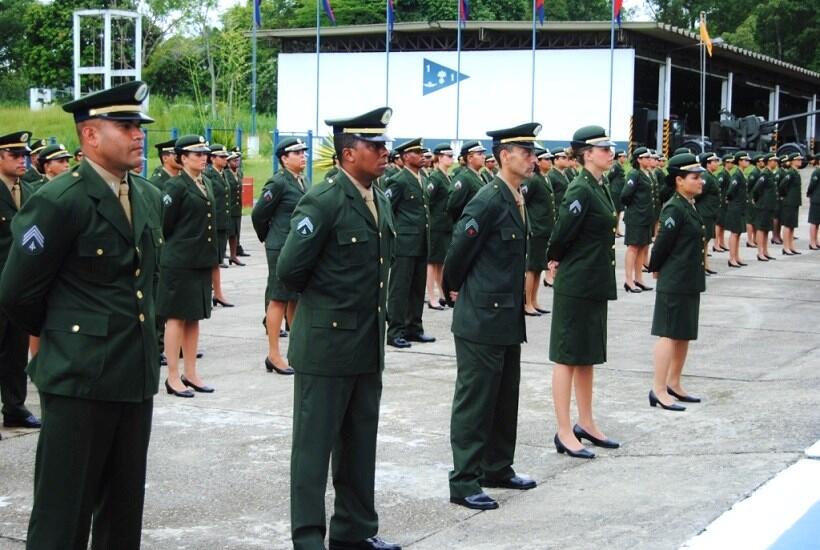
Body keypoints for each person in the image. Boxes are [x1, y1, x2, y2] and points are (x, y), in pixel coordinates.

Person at [0, 81, 161, 547]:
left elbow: (146, 281)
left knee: (123, 511)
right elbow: (16, 292)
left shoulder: (146, 195)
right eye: (126, 126)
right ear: (90, 135)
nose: (138, 135)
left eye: (139, 126)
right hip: (78, 378)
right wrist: (69, 339)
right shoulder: (58, 200)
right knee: (62, 512)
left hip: (134, 375)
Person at [277, 107, 400, 550]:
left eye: (385, 144)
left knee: (359, 444)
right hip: (327, 345)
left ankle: (355, 530)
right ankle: (309, 538)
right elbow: (290, 270)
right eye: (375, 146)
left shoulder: (378, 196)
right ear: (349, 154)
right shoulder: (324, 200)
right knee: (313, 451)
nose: (385, 152)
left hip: (366, 344)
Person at [444, 123, 540, 512]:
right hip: (481, 319)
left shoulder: (517, 195)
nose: (534, 159)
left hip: (505, 318)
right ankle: (464, 481)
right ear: (505, 155)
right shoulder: (487, 200)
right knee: (476, 401)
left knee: (504, 397)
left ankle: (497, 467)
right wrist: (454, 288)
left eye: (534, 152)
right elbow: (457, 254)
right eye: (526, 152)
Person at [547, 125, 620, 460]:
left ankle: (586, 422)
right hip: (576, 283)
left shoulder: (599, 185)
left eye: (610, 147)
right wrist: (554, 258)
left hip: (593, 280)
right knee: (567, 356)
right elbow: (562, 232)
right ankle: (564, 430)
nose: (611, 152)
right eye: (603, 148)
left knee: (587, 355)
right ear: (586, 154)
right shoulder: (580, 189)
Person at [158, 135, 220, 398]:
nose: (203, 157)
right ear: (182, 158)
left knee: (195, 317)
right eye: (196, 154)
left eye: (204, 153)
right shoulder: (176, 186)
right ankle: (173, 376)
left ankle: (191, 372)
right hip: (180, 262)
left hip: (200, 261)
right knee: (176, 318)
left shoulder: (204, 182)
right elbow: (164, 225)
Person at [648, 153, 707, 411]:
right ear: (679, 181)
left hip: (688, 279)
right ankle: (658, 389)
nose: (700, 181)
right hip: (675, 278)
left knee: (683, 334)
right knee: (669, 334)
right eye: (695, 177)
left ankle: (674, 383)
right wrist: (655, 267)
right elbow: (662, 243)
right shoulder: (674, 207)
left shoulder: (688, 205)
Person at [251, 137, 308, 375]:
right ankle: (274, 354)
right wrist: (269, 238)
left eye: (303, 152)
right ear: (284, 158)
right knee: (278, 298)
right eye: (297, 153)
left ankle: (295, 351)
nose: (303, 155)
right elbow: (258, 214)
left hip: (296, 246)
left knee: (294, 297)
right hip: (281, 246)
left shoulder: (301, 181)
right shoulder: (278, 182)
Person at [0, 131, 41, 432]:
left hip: (19, 286)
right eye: (14, 155)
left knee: (16, 349)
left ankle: (15, 407)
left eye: (24, 154)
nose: (22, 160)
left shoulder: (28, 190)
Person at [384, 138, 435, 348]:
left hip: (421, 243)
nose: (422, 155)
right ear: (405, 157)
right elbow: (388, 211)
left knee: (416, 288)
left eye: (422, 152)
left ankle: (414, 327)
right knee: (399, 290)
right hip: (404, 244)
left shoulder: (421, 177)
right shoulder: (398, 180)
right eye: (416, 152)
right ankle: (395, 331)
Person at [522, 147, 555, 315]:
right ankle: (527, 303)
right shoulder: (533, 180)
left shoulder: (545, 178)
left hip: (544, 230)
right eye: (546, 159)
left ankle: (534, 301)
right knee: (531, 268)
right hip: (535, 230)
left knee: (539, 268)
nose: (550, 161)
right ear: (539, 162)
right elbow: (522, 201)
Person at [203, 144, 235, 305]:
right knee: (212, 260)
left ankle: (216, 292)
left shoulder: (223, 174)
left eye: (225, 157)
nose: (225, 160)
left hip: (222, 222)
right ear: (212, 158)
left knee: (217, 259)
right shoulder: (208, 175)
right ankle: (212, 292)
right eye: (221, 157)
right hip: (213, 224)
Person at [425, 143, 454, 310]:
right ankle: (432, 297)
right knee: (432, 262)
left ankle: (442, 294)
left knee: (441, 262)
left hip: (445, 226)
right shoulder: (435, 178)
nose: (451, 159)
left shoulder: (447, 176)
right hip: (435, 226)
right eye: (448, 156)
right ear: (439, 157)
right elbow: (427, 200)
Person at [621, 147, 654, 292]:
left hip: (646, 216)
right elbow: (625, 195)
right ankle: (629, 280)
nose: (649, 159)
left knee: (642, 247)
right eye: (646, 157)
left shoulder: (646, 174)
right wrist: (635, 208)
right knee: (633, 247)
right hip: (636, 217)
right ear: (639, 159)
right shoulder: (634, 174)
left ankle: (639, 278)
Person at [446, 141, 486, 222]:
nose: (484, 157)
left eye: (483, 154)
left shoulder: (481, 176)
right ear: (470, 158)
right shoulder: (463, 178)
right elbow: (453, 206)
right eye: (479, 154)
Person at [695, 152, 721, 274]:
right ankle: (700, 266)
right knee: (702, 241)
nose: (717, 163)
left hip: (710, 212)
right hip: (704, 212)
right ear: (708, 163)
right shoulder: (705, 176)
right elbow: (698, 194)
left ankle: (705, 265)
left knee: (706, 240)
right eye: (714, 161)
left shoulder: (711, 176)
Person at [752, 153, 779, 261]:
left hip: (770, 206)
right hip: (763, 206)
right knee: (761, 228)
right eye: (774, 161)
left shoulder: (771, 174)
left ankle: (765, 250)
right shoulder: (765, 174)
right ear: (768, 161)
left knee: (767, 229)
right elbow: (756, 189)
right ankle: (760, 252)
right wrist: (757, 200)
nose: (776, 163)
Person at [725, 152, 750, 267]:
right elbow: (731, 191)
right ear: (739, 161)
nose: (747, 162)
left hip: (740, 207)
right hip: (735, 207)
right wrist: (730, 200)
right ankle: (732, 258)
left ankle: (736, 256)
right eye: (745, 160)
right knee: (734, 233)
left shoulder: (741, 174)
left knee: (738, 233)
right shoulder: (737, 175)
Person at [779, 152, 803, 255]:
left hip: (794, 202)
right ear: (792, 161)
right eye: (798, 160)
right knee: (788, 225)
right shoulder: (790, 173)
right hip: (789, 202)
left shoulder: (796, 172)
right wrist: (785, 196)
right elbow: (782, 185)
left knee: (792, 225)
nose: (800, 161)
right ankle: (785, 247)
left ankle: (791, 246)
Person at [745, 154, 765, 247]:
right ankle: (749, 240)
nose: (763, 162)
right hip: (752, 198)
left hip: (757, 198)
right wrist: (751, 197)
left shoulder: (759, 172)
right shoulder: (754, 173)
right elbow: (749, 186)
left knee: (755, 219)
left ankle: (755, 239)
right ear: (757, 162)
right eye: (761, 161)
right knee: (750, 220)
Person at [609, 150, 627, 237]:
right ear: (619, 157)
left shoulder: (620, 166)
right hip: (615, 191)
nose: (625, 158)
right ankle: (614, 231)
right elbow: (610, 177)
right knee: (615, 211)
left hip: (619, 191)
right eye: (623, 156)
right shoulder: (615, 166)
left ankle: (617, 230)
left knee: (619, 211)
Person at [808, 158, 820, 250]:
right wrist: (809, 194)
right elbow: (812, 185)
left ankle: (816, 241)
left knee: (818, 222)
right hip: (816, 199)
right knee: (814, 222)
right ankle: (812, 242)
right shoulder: (816, 172)